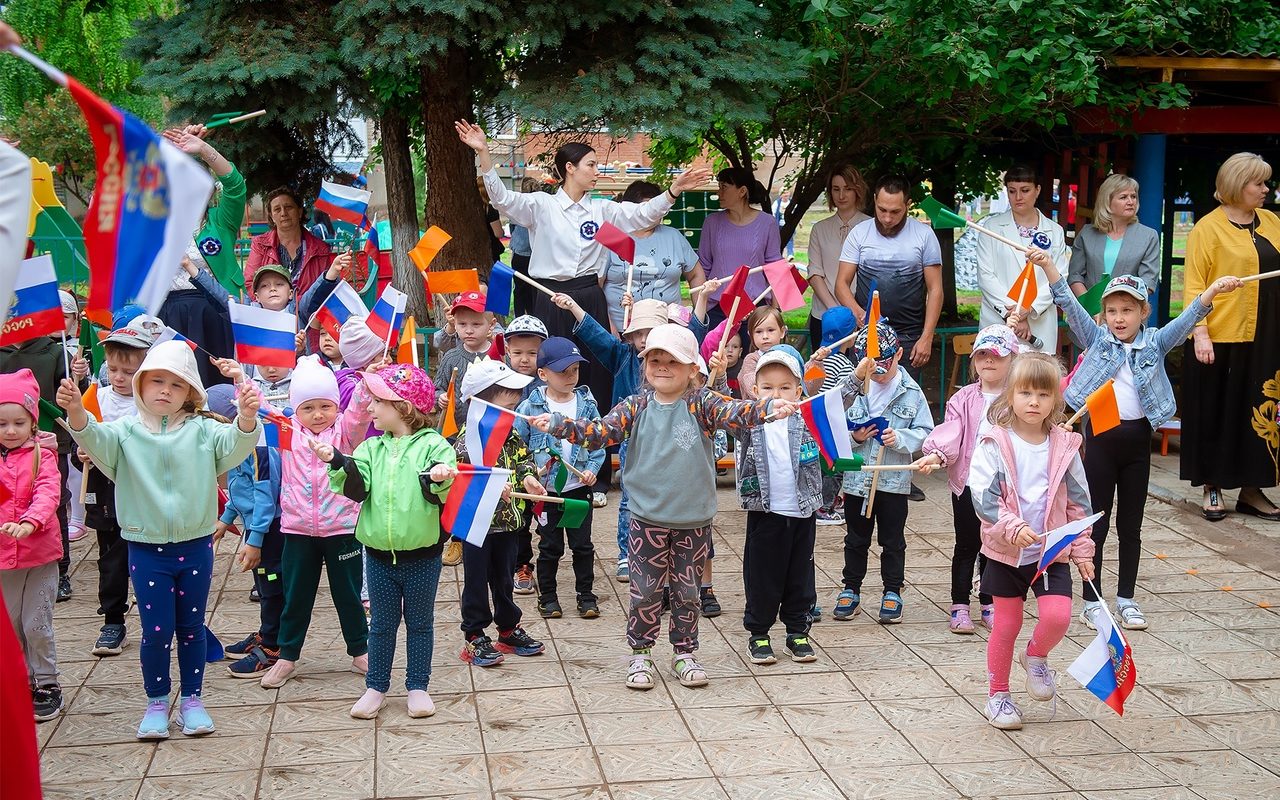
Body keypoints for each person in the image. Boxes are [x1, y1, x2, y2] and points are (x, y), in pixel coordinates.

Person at [531, 324, 798, 690]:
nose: (662, 366)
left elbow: (738, 412)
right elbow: (599, 432)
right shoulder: (634, 405)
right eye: (654, 359)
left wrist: (769, 407)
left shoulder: (701, 403)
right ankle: (640, 654)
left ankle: (684, 653)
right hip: (646, 519)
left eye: (672, 361)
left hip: (693, 520)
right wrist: (560, 425)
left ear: (692, 369)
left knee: (688, 592)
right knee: (645, 591)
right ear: (645, 366)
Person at [57, 341, 262, 739]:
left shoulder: (205, 431)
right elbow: (92, 439)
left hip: (196, 546)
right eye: (157, 381)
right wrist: (75, 410)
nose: (165, 390)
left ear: (191, 393)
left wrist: (247, 418)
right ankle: (156, 702)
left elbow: (236, 446)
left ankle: (193, 701)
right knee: (155, 632)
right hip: (146, 548)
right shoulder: (124, 432)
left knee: (192, 628)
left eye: (177, 384)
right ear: (140, 385)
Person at [457, 120, 711, 428]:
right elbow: (502, 199)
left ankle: (598, 457)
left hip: (590, 296)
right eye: (590, 164)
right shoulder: (542, 206)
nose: (596, 170)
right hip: (549, 296)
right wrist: (483, 152)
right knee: (550, 368)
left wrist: (672, 191)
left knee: (596, 371)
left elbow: (642, 214)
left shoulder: (603, 210)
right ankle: (545, 445)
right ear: (570, 168)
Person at [1040, 253, 1243, 629]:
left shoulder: (1155, 343)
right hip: (1099, 441)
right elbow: (1067, 302)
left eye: (1128, 311)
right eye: (1113, 310)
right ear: (1104, 315)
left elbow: (1187, 321)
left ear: (1143, 313)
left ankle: (1127, 599)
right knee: (1095, 524)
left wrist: (1213, 289)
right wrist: (1049, 267)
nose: (1119, 318)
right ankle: (1092, 600)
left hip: (1136, 444)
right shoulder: (1097, 339)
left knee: (1130, 525)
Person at [318, 364, 459, 720]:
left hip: (424, 556)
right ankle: (376, 685)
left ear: (403, 406)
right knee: (380, 624)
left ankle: (418, 686)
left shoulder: (434, 445)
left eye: (378, 401)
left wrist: (440, 476)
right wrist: (337, 460)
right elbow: (357, 485)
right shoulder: (369, 449)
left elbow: (441, 485)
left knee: (420, 622)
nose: (370, 408)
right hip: (378, 555)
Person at [966, 352, 1095, 731]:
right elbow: (983, 499)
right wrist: (1012, 526)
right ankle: (998, 696)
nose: (1034, 402)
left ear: (1056, 399)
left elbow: (1079, 504)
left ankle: (1036, 657)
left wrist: (1083, 549)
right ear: (1010, 396)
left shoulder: (1066, 446)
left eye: (1043, 394)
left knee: (1059, 616)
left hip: (1052, 552)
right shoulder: (995, 442)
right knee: (1006, 624)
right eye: (1025, 393)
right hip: (1006, 553)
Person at [552, 293, 712, 583]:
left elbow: (694, 337)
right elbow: (597, 335)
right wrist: (574, 306)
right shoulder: (622, 356)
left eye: (649, 332)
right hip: (633, 434)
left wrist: (703, 298)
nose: (642, 338)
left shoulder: (698, 399)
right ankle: (628, 552)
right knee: (630, 493)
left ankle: (672, 551)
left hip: (677, 449)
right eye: (637, 332)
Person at [732, 347, 859, 665]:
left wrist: (858, 375)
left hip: (802, 511)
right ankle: (759, 634)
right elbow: (719, 408)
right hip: (764, 512)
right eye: (768, 387)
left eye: (785, 386)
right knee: (762, 577)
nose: (776, 393)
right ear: (755, 390)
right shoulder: (750, 418)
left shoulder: (807, 416)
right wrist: (719, 375)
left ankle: (797, 631)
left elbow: (839, 399)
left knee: (799, 576)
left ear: (799, 389)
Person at [258, 356, 374, 690]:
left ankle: (360, 650)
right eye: (308, 408)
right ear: (296, 410)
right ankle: (287, 656)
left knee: (350, 595)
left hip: (342, 530)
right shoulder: (287, 431)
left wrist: (368, 379)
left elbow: (361, 409)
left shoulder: (346, 433)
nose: (318, 415)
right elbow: (260, 405)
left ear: (337, 406)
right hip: (297, 532)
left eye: (326, 406)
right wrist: (239, 377)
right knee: (295, 596)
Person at [1181, 152, 1280, 522]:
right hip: (1221, 334)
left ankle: (1252, 490)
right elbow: (1194, 284)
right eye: (1259, 183)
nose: (1266, 189)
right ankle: (1212, 486)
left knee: (1258, 410)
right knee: (1217, 411)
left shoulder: (1271, 222)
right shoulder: (1207, 229)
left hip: (1267, 335)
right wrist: (1200, 332)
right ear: (1238, 186)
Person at [914, 325, 1019, 633]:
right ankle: (960, 604)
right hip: (969, 485)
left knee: (994, 546)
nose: (988, 362)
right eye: (982, 355)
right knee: (967, 544)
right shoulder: (962, 399)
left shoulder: (1017, 399)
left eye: (997, 357)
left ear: (1012, 360)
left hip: (1003, 487)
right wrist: (937, 454)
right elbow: (952, 431)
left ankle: (988, 602)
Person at [833, 321, 934, 623]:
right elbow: (834, 426)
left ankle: (893, 590)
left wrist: (900, 439)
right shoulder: (851, 390)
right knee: (855, 539)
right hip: (856, 479)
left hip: (892, 480)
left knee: (893, 540)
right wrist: (855, 437)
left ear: (899, 354)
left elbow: (926, 432)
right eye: (870, 365)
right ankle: (851, 588)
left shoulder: (911, 392)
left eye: (883, 365)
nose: (877, 372)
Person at [451, 359, 548, 667]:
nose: (516, 401)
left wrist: (528, 477)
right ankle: (475, 635)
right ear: (482, 401)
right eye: (508, 396)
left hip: (509, 523)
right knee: (476, 580)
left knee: (504, 579)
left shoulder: (509, 432)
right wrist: (492, 486)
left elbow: (523, 460)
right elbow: (464, 474)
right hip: (478, 524)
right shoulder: (469, 436)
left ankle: (507, 628)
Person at [0, 307, 87, 603]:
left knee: (54, 501)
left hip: (48, 441)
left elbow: (71, 397)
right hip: (4, 447)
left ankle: (60, 570)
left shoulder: (52, 351)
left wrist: (78, 377)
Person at [515, 339, 606, 619]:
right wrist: (530, 471)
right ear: (543, 374)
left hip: (577, 490)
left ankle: (586, 595)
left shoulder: (587, 404)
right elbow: (518, 444)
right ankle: (549, 596)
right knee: (549, 546)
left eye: (575, 370)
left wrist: (592, 468)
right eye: (563, 371)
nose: (570, 377)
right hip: (547, 492)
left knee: (582, 545)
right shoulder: (530, 406)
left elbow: (598, 440)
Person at [82, 326, 156, 658]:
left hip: (142, 496)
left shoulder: (152, 403)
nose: (120, 377)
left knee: (147, 560)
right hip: (105, 495)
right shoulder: (94, 398)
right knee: (110, 561)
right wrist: (80, 452)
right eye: (114, 369)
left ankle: (158, 618)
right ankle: (113, 619)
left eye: (129, 371)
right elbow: (77, 437)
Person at [206, 383, 285, 676]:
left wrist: (254, 541)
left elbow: (265, 498)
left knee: (273, 586)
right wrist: (226, 518)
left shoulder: (258, 449)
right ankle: (266, 633)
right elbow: (241, 491)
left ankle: (274, 646)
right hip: (256, 528)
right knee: (263, 587)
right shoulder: (234, 449)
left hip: (271, 531)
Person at [0, 369, 64, 722]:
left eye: (18, 422)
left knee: (36, 622)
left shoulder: (43, 455)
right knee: (9, 625)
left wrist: (29, 522)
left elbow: (47, 493)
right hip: (3, 558)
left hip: (39, 553)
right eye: (2, 423)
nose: (10, 431)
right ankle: (19, 681)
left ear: (32, 421)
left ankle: (47, 682)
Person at [834, 174, 943, 374]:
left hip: (909, 337)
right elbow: (841, 283)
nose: (887, 218)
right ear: (875, 199)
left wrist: (927, 337)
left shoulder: (924, 235)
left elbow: (935, 289)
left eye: (895, 212)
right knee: (864, 399)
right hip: (867, 334)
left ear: (908, 205)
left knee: (903, 400)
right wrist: (861, 315)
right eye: (882, 209)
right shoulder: (859, 233)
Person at [974, 164, 1067, 354]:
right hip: (999, 319)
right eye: (1012, 191)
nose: (1018, 197)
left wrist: (1029, 309)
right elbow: (986, 275)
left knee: (1036, 380)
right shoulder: (990, 227)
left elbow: (1059, 276)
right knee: (997, 378)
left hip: (1038, 322)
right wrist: (1013, 313)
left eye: (1025, 190)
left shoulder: (1055, 231)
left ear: (1037, 190)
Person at [601, 181, 707, 332]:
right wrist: (610, 330)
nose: (653, 213)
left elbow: (696, 274)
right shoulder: (611, 237)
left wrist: (698, 316)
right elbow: (596, 286)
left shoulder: (673, 236)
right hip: (621, 329)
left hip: (668, 330)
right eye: (647, 209)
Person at [698, 168, 784, 327]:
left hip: (756, 306)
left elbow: (775, 267)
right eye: (719, 187)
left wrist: (775, 309)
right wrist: (700, 308)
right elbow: (703, 267)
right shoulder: (711, 222)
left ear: (742, 191)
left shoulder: (768, 223)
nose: (719, 192)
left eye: (724, 187)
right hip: (717, 308)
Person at [502, 315, 549, 593]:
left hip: (545, 468)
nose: (524, 359)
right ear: (507, 351)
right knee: (519, 522)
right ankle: (522, 565)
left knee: (546, 522)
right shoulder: (502, 383)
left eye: (532, 353)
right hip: (515, 466)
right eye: (517, 352)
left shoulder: (549, 386)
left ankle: (547, 567)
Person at [805, 306, 860, 527]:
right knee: (835, 468)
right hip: (832, 424)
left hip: (813, 423)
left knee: (818, 467)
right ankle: (823, 507)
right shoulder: (845, 365)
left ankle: (821, 502)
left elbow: (809, 387)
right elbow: (846, 396)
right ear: (849, 337)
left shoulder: (815, 361)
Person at [806, 163, 871, 348]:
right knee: (824, 373)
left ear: (857, 190)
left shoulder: (870, 227)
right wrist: (835, 310)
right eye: (836, 189)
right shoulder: (819, 229)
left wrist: (853, 312)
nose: (841, 195)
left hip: (861, 315)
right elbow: (814, 273)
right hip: (824, 314)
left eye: (847, 189)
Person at [1067, 173, 1160, 297]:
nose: (1130, 201)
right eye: (1123, 197)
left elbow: (1148, 281)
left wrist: (1116, 308)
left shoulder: (1149, 236)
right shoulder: (1087, 233)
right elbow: (1075, 276)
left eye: (1133, 196)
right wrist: (1090, 307)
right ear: (1107, 201)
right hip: (1088, 311)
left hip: (1127, 310)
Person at [245, 187, 342, 305]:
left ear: (300, 211)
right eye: (277, 209)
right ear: (271, 216)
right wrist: (273, 306)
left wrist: (297, 306)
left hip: (307, 318)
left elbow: (325, 289)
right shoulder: (260, 245)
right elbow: (250, 284)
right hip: (270, 316)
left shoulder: (321, 249)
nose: (283, 213)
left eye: (288, 207)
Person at [736, 306, 788, 400]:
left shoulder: (790, 357)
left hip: (786, 410)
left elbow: (806, 387)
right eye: (759, 331)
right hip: (757, 412)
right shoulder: (751, 359)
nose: (765, 336)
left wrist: (815, 363)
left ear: (782, 332)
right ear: (751, 335)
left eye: (770, 330)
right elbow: (752, 388)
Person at [509, 177, 541, 318]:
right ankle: (535, 315)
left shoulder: (518, 208)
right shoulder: (541, 208)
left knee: (520, 289)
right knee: (536, 288)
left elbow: (512, 228)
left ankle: (519, 316)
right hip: (536, 254)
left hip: (520, 253)